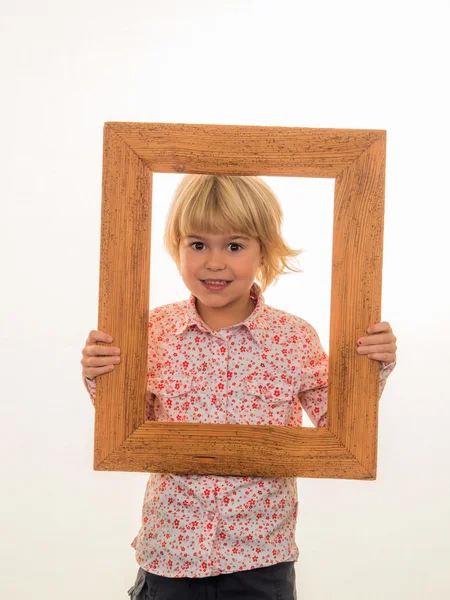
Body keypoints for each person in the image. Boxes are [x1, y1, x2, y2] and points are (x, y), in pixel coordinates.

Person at [80, 174, 397, 599]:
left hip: (261, 559)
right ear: (176, 248)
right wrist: (101, 374)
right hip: (171, 553)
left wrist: (371, 367)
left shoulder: (293, 337)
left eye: (234, 245)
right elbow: (131, 428)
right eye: (197, 244)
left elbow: (338, 425)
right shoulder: (149, 330)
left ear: (263, 249)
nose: (214, 262)